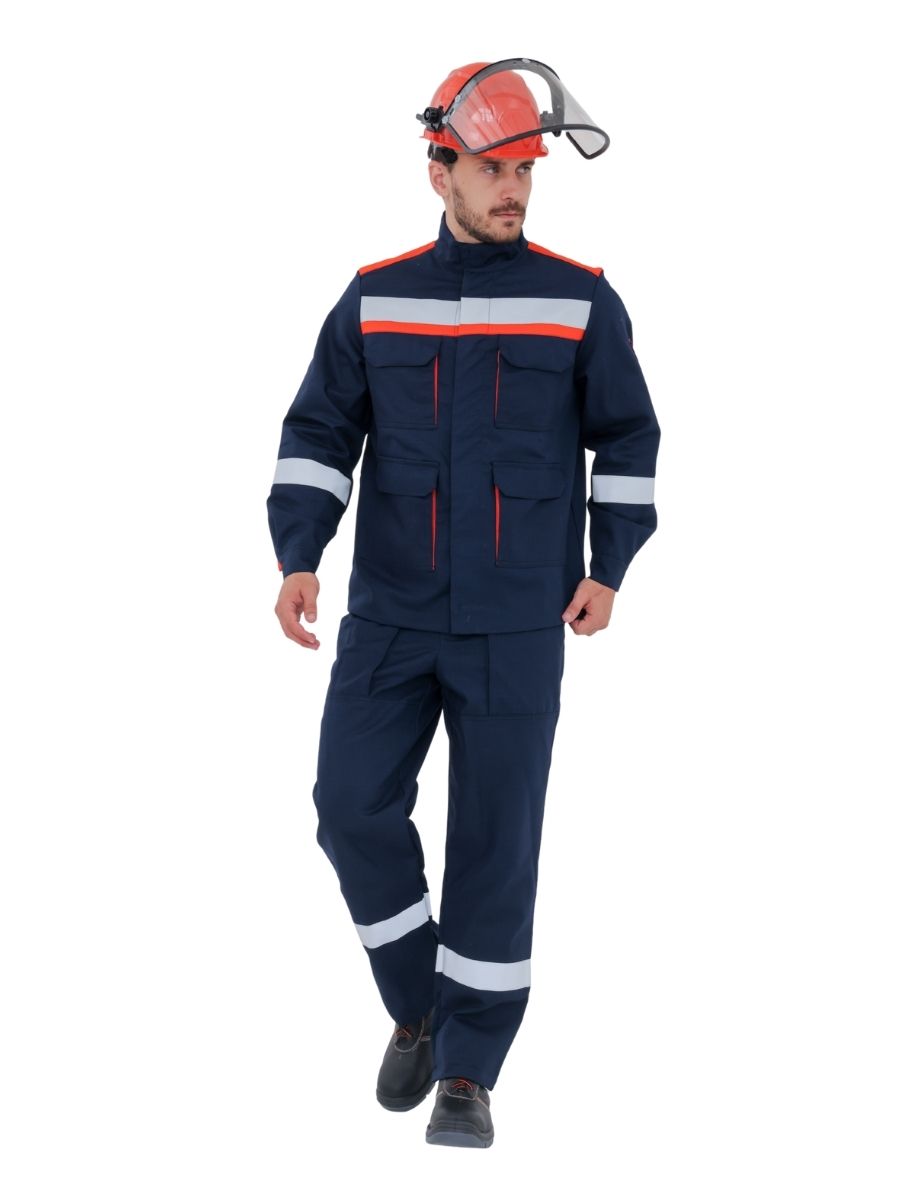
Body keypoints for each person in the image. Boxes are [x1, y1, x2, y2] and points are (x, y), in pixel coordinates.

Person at [266, 59, 661, 1148]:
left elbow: (628, 438)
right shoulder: (374, 296)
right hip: (391, 614)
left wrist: (611, 566)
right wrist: (299, 556)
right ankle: (419, 1002)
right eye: (494, 169)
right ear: (439, 169)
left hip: (520, 623)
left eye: (527, 170)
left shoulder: (580, 299)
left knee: (496, 843)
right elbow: (318, 433)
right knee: (348, 806)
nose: (515, 190)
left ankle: (470, 1075)